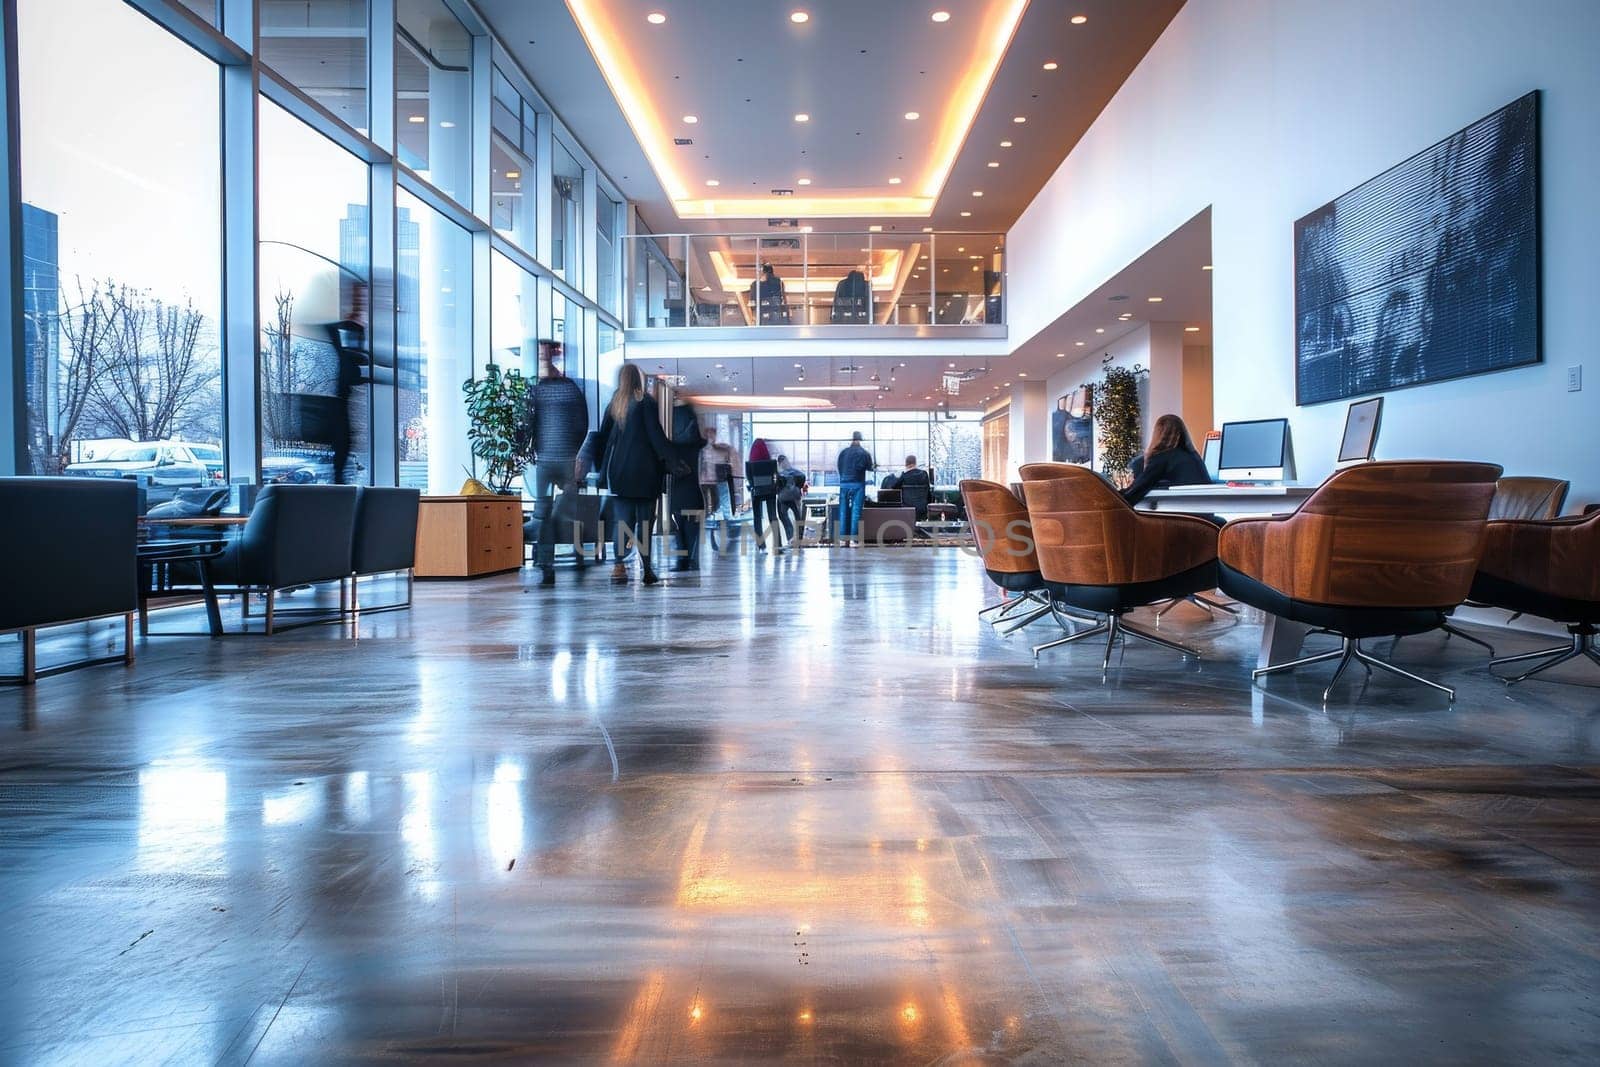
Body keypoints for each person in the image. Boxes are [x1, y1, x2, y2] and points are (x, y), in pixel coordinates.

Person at [577, 363, 676, 586]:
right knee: (645, 523)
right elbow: (656, 437)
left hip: (620, 474)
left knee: (623, 522)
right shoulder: (646, 402)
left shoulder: (615, 403)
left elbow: (602, 438)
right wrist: (674, 460)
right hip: (646, 474)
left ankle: (619, 567)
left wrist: (602, 470)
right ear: (639, 379)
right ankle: (647, 569)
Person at [526, 340, 589, 587]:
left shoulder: (567, 389)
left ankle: (572, 558)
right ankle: (547, 565)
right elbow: (529, 423)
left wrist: (575, 455)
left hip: (563, 459)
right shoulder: (537, 389)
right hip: (545, 459)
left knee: (565, 513)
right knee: (543, 513)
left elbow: (581, 423)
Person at [322, 278, 369, 484]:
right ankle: (338, 483)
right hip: (337, 399)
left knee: (345, 442)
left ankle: (339, 482)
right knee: (343, 442)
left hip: (342, 398)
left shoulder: (348, 332)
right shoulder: (340, 331)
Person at [1122, 414, 1212, 506]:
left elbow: (1135, 492)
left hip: (1184, 517)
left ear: (1157, 433)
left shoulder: (1162, 458)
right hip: (1206, 516)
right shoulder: (1193, 456)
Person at [667, 397, 708, 572]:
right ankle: (692, 560)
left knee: (680, 528)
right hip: (693, 492)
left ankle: (682, 560)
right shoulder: (697, 444)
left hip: (677, 490)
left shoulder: (671, 446)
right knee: (692, 529)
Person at [836, 430, 874, 545]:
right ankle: (853, 539)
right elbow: (870, 467)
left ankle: (843, 539)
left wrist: (844, 477)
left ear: (852, 440)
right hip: (858, 484)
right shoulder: (864, 453)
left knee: (843, 511)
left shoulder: (843, 453)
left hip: (844, 484)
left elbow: (839, 466)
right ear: (860, 440)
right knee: (856, 511)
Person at [699, 427, 737, 537]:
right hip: (707, 481)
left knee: (721, 503)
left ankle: (723, 523)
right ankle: (711, 522)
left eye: (713, 435)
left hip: (717, 480)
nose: (712, 438)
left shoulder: (719, 450)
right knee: (709, 504)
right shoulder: (704, 451)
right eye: (710, 436)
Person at [746, 439, 782, 552]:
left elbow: (749, 479)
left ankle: (761, 547)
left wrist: (753, 486)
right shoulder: (771, 463)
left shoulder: (750, 464)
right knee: (773, 517)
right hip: (770, 491)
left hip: (756, 492)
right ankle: (778, 545)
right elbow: (775, 476)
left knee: (757, 518)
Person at [775, 454, 807, 545]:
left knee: (783, 515)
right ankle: (799, 538)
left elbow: (776, 484)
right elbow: (802, 476)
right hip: (794, 496)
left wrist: (779, 491)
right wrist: (798, 488)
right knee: (798, 516)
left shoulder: (779, 472)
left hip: (783, 498)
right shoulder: (794, 470)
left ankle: (790, 537)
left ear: (779, 463)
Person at [895, 454, 933, 519]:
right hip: (922, 509)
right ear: (915, 463)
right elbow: (928, 492)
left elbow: (894, 487)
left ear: (906, 464)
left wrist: (898, 476)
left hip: (907, 509)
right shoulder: (924, 474)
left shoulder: (904, 476)